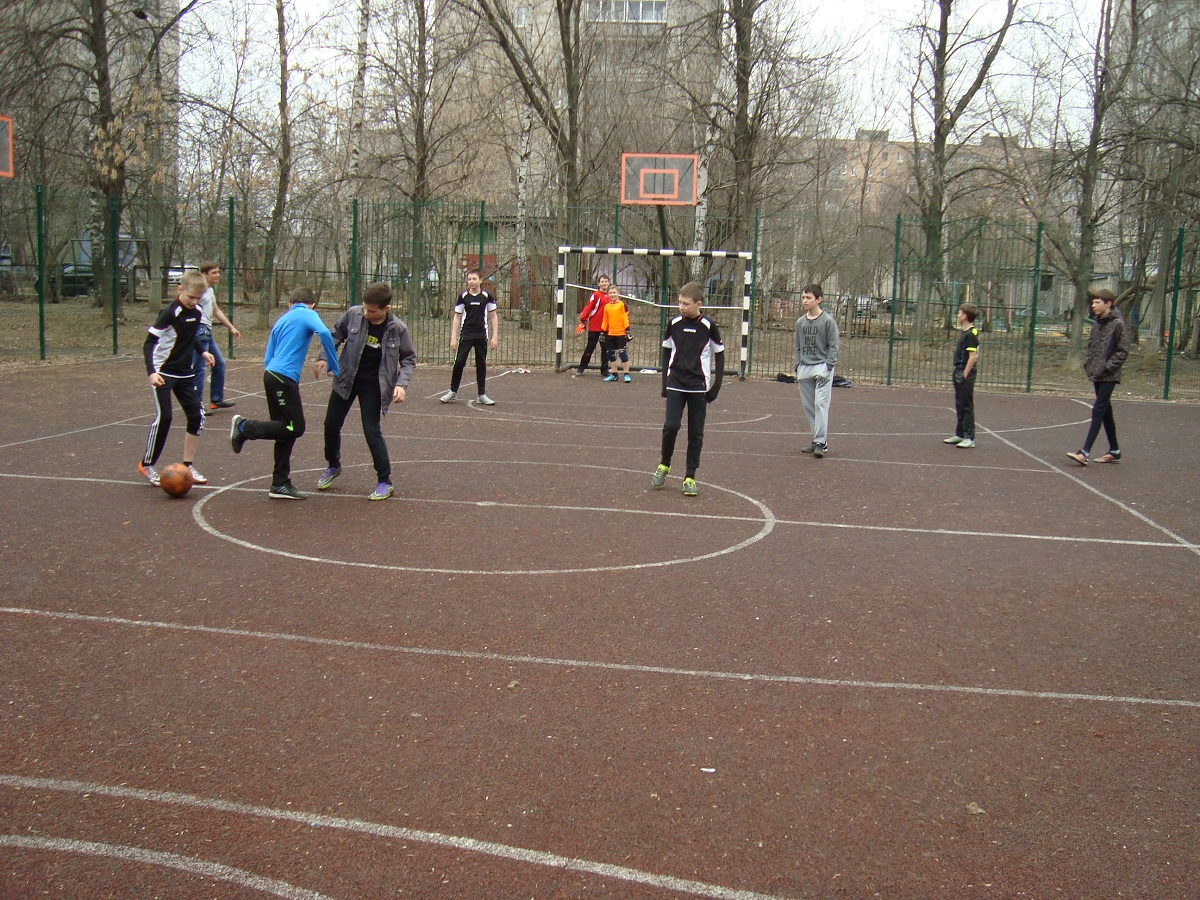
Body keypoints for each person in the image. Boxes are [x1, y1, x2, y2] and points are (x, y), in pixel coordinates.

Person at [229, 287, 340, 500]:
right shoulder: (308, 313)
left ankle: (279, 483)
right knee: (296, 427)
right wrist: (334, 365)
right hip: (283, 377)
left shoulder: (282, 320)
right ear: (312, 304)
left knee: (284, 431)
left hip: (272, 375)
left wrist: (275, 375)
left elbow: (268, 355)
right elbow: (325, 333)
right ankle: (244, 427)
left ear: (290, 303)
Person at [313, 282, 416, 501]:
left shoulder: (398, 328)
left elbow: (408, 360)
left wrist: (400, 384)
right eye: (364, 308)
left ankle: (385, 481)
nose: (366, 313)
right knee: (331, 424)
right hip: (346, 379)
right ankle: (333, 465)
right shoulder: (354, 314)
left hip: (374, 386)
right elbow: (334, 335)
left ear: (386, 309)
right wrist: (325, 357)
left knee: (371, 430)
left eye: (372, 311)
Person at [139, 271, 213, 487]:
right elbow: (149, 343)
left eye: (199, 298)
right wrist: (152, 372)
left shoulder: (197, 312)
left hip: (186, 372)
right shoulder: (169, 313)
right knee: (165, 417)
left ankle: (188, 465)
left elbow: (189, 338)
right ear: (179, 290)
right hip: (163, 372)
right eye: (191, 297)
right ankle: (147, 464)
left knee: (197, 416)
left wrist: (202, 352)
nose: (195, 301)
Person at [651, 282, 724, 497]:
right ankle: (664, 464)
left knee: (696, 432)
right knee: (671, 425)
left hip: (698, 386)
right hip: (676, 382)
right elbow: (666, 353)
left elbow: (719, 355)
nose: (681, 307)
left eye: (686, 303)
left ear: (698, 304)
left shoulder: (708, 326)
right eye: (679, 302)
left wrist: (715, 387)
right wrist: (664, 383)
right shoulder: (673, 323)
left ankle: (690, 476)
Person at [1067, 288, 1129, 466]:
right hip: (1097, 374)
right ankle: (1115, 450)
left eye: (1097, 302)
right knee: (1106, 412)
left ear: (1108, 304)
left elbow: (1123, 351)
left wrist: (1107, 367)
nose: (1093, 305)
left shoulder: (1118, 324)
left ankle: (1084, 452)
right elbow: (1092, 346)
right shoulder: (1097, 323)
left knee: (1098, 410)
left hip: (1109, 375)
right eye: (1093, 302)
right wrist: (1090, 365)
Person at [440, 267, 499, 405]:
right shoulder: (463, 296)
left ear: (480, 280)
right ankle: (453, 391)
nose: (471, 282)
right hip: (466, 334)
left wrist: (495, 336)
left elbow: (494, 316)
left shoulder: (486, 296)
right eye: (469, 279)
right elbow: (457, 317)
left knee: (481, 364)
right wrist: (453, 337)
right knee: (459, 362)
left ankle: (481, 394)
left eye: (474, 279)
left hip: (481, 335)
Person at [794, 283, 839, 458]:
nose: (804, 301)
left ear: (818, 300)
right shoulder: (800, 322)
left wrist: (829, 366)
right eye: (803, 297)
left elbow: (833, 345)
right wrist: (798, 364)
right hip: (805, 367)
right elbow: (797, 345)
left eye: (808, 298)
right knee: (809, 406)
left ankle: (821, 442)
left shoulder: (827, 321)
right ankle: (816, 438)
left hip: (821, 366)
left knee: (821, 404)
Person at [192, 261, 241, 412]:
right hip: (199, 331)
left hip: (207, 331)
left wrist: (231, 327)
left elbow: (216, 310)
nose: (218, 275)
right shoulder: (198, 290)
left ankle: (216, 399)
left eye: (218, 272)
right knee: (199, 369)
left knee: (219, 364)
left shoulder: (210, 291)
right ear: (204, 274)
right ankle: (196, 405)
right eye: (214, 272)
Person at [944, 303, 980, 448]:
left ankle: (969, 437)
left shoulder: (972, 334)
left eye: (959, 313)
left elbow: (973, 356)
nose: (957, 315)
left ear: (965, 316)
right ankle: (960, 434)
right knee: (959, 404)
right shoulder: (965, 333)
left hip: (965, 373)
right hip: (958, 370)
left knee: (966, 405)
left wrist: (965, 374)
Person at [574, 274, 611, 377]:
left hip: (606, 327)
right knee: (590, 348)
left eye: (606, 281)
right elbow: (589, 307)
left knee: (606, 349)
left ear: (608, 283)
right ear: (599, 283)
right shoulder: (596, 295)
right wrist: (583, 320)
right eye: (602, 281)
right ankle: (581, 367)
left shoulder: (611, 296)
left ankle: (604, 369)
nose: (604, 283)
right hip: (595, 327)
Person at [600, 282, 633, 383]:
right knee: (610, 354)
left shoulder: (622, 305)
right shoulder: (607, 307)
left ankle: (626, 374)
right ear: (608, 294)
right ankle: (614, 374)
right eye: (611, 293)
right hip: (610, 333)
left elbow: (625, 318)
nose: (612, 295)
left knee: (622, 354)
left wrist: (627, 331)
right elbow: (605, 320)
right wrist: (602, 332)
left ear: (618, 293)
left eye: (614, 292)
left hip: (620, 333)